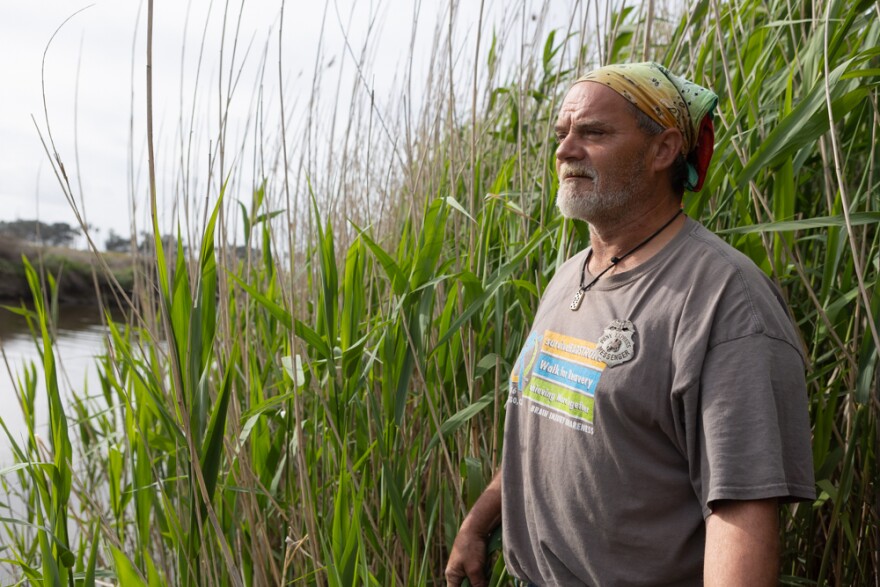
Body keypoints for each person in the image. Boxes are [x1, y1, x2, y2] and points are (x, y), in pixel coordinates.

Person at [444, 62, 815, 586]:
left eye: (592, 133)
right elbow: (554, 418)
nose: (565, 149)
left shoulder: (724, 302)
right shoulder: (570, 276)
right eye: (562, 133)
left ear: (663, 150)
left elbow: (741, 510)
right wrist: (478, 524)